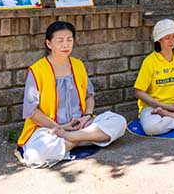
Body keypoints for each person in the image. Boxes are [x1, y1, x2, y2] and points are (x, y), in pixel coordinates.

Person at [16, 21, 126, 167]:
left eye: (69, 39)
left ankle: (72, 139)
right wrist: (60, 128)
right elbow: (31, 112)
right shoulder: (37, 71)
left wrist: (86, 116)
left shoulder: (78, 65)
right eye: (60, 41)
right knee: (35, 155)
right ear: (49, 44)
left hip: (80, 125)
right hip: (51, 129)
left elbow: (89, 95)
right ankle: (84, 139)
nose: (65, 45)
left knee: (119, 121)